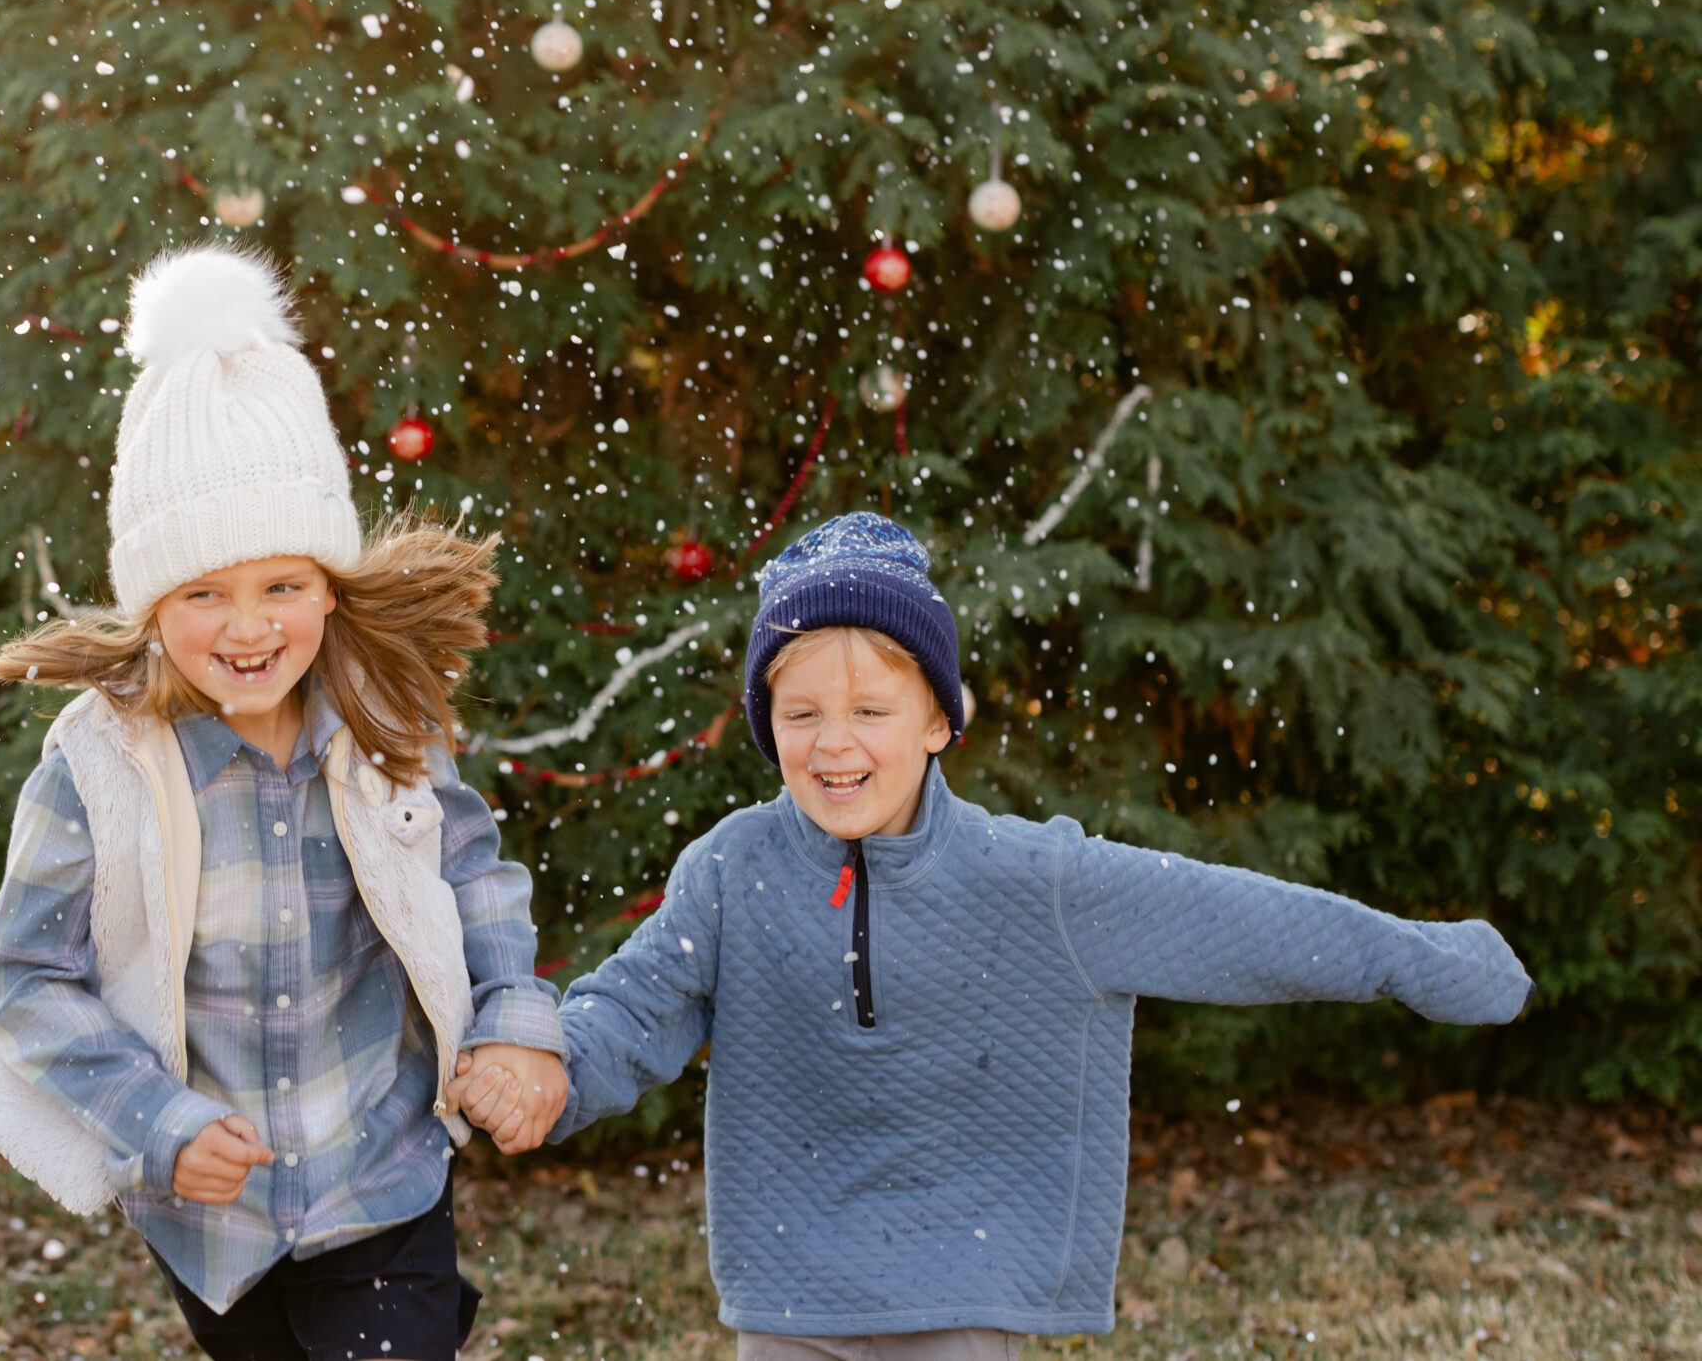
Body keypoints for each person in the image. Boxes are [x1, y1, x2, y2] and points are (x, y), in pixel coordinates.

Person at [450, 512, 1533, 1361]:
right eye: (800, 715)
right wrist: (551, 1066)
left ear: (937, 720)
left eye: (871, 711)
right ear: (763, 722)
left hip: (960, 1283)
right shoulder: (733, 867)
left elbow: (1232, 918)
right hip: (788, 1283)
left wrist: (1410, 955)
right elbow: (634, 1006)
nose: (833, 745)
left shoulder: (1033, 878)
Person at [0, 245, 567, 1361]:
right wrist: (156, 1126)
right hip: (214, 1214)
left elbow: (471, 875)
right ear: (154, 605)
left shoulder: (386, 721)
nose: (248, 629)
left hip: (381, 1174)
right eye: (205, 593)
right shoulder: (100, 762)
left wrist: (519, 1022)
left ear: (330, 589)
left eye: (282, 587)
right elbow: (28, 980)